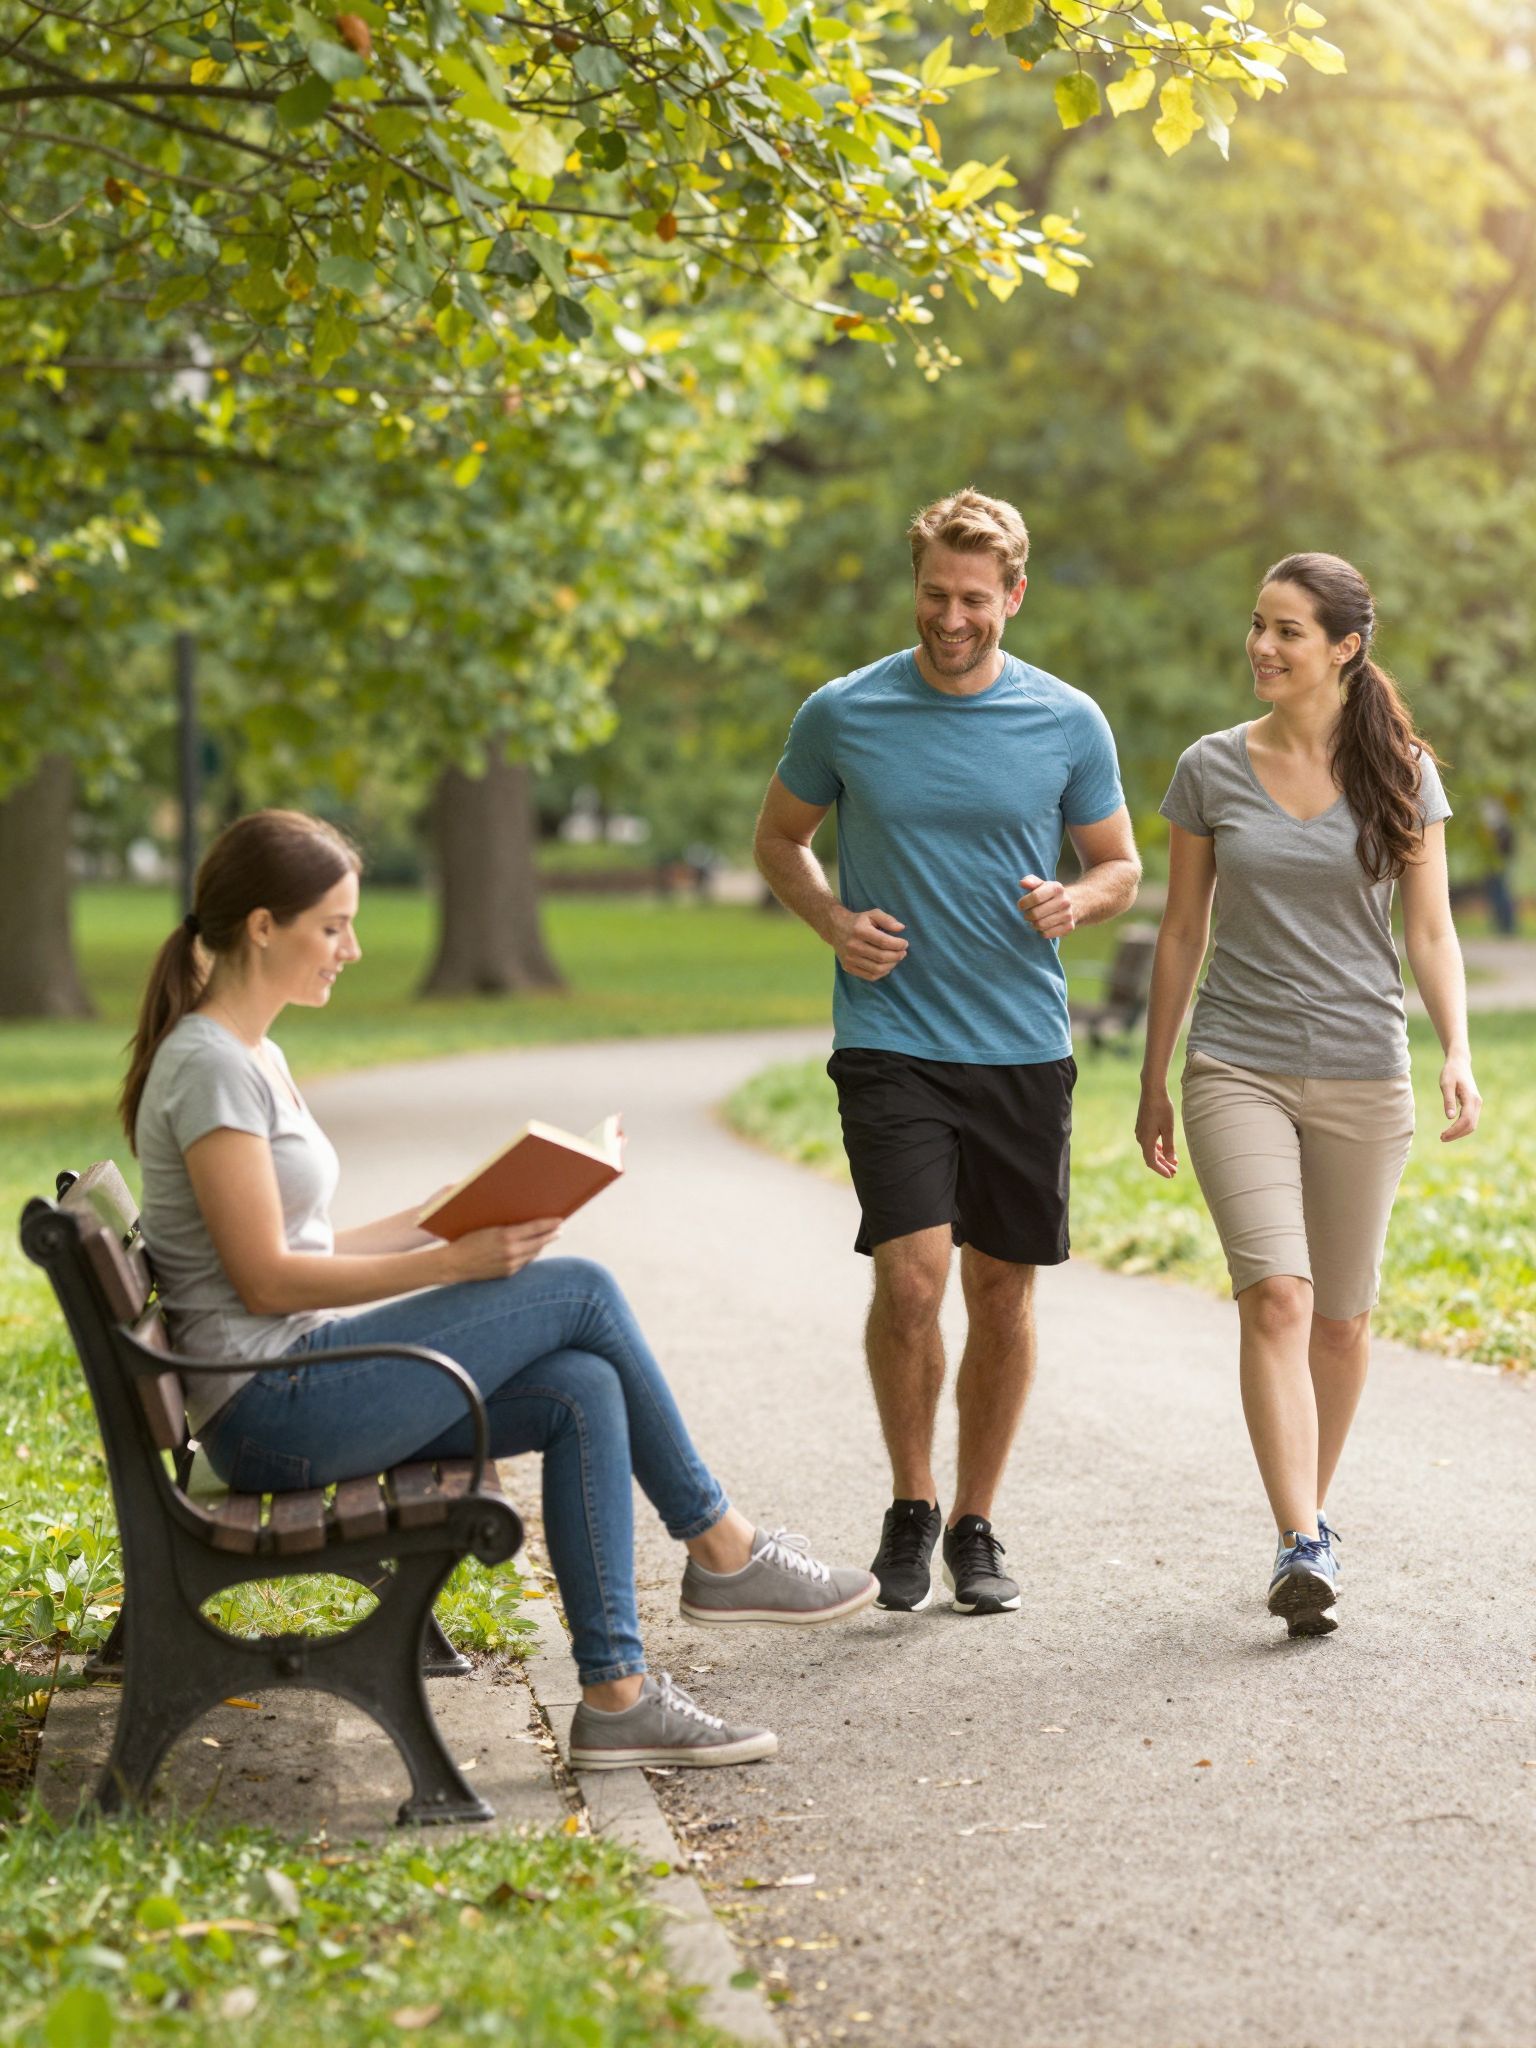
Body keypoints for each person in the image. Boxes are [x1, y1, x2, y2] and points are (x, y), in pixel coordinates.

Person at [121, 809, 877, 1770]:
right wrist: (451, 1264)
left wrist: (443, 1216)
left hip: (298, 1383)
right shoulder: (211, 1067)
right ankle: (722, 1546)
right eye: (332, 926)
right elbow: (266, 1281)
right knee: (582, 1291)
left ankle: (617, 1697)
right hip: (275, 1411)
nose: (351, 948)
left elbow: (290, 1244)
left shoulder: (248, 1057)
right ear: (262, 925)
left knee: (580, 1390)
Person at [753, 489, 1141, 1616]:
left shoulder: (1069, 720)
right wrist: (833, 921)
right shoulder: (845, 712)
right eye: (935, 594)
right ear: (914, 585)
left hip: (1020, 1042)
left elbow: (1120, 865)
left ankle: (977, 1518)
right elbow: (781, 838)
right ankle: (911, 1502)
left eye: (976, 598)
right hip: (892, 1039)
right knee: (913, 1276)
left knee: (1002, 1290)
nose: (952, 617)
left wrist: (1076, 898)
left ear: (1013, 595)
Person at [1137, 552, 1481, 1638]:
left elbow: (1429, 927)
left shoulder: (1403, 771)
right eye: (1258, 625)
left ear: (1344, 646)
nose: (1263, 646)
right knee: (1276, 1297)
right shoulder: (1209, 768)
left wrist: (1458, 1048)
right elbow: (1182, 927)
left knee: (1342, 1317)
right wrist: (1154, 1073)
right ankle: (1300, 1536)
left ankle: (1310, 1521)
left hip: (1364, 1067)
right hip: (1235, 1060)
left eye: (1288, 630)